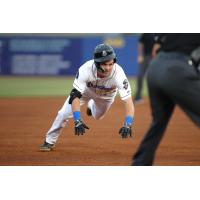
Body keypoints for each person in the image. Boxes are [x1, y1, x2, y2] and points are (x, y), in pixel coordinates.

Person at [40, 43, 135, 151]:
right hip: (85, 92)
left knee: (98, 116)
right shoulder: (86, 69)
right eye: (104, 64)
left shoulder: (119, 75)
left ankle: (91, 105)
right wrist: (77, 120)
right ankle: (49, 141)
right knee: (63, 113)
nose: (108, 67)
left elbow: (128, 102)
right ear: (97, 63)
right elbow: (75, 96)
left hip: (106, 96)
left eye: (110, 64)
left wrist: (128, 123)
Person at [132, 33, 200, 166]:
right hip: (177, 69)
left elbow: (155, 49)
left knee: (158, 123)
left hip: (155, 68)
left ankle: (140, 164)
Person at [134, 33, 155, 104]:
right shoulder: (146, 33)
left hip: (156, 58)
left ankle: (157, 98)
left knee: (154, 77)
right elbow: (140, 44)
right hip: (146, 57)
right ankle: (137, 97)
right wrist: (140, 55)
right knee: (140, 76)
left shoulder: (159, 33)